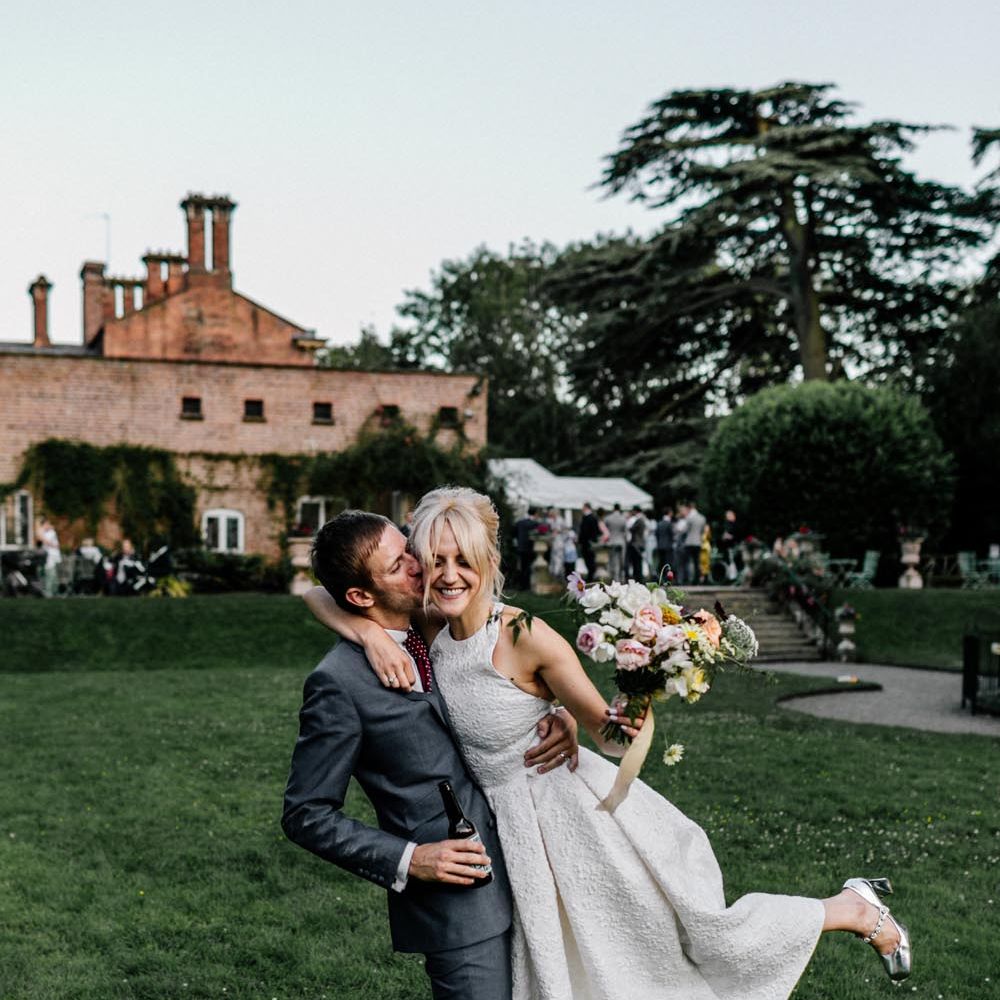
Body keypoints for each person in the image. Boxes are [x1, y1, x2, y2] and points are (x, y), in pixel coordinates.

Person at [307, 488, 912, 999]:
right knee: (567, 975)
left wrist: (649, 675)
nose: (443, 574)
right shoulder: (429, 623)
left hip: (571, 821)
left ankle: (850, 909)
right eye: (430, 560)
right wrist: (365, 632)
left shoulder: (526, 634)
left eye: (461, 560)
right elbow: (315, 592)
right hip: (512, 837)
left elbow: (608, 730)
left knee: (668, 952)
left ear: (487, 559)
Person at [283, 510, 579, 1000]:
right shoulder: (337, 684)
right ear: (360, 597)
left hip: (531, 859)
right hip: (459, 899)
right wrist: (410, 859)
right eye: (399, 564)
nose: (420, 566)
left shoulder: (434, 624)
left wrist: (553, 708)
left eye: (409, 550)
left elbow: (503, 677)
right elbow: (304, 813)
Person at [513, 508, 539, 591]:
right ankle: (527, 586)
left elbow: (514, 533)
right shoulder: (535, 523)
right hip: (530, 548)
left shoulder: (520, 522)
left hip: (521, 548)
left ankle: (521, 586)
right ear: (535, 514)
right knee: (528, 567)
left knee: (522, 567)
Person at [682, 500, 707, 586]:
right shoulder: (702, 518)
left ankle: (688, 579)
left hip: (689, 542)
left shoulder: (689, 518)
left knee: (687, 562)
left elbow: (685, 530)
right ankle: (696, 580)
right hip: (698, 543)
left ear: (689, 508)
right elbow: (703, 531)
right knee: (697, 562)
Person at [35, 516, 62, 597]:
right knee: (49, 574)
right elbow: (39, 538)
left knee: (50, 574)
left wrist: (41, 528)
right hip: (46, 556)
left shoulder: (51, 532)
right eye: (47, 524)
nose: (49, 525)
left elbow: (45, 540)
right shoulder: (44, 531)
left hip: (51, 556)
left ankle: (49, 592)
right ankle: (52, 591)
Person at [603, 503, 628, 582]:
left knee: (613, 561)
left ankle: (615, 579)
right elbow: (625, 532)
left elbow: (605, 530)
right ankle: (621, 578)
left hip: (612, 541)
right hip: (621, 541)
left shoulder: (608, 518)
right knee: (621, 562)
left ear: (613, 509)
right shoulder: (623, 518)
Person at [577, 503, 600, 579]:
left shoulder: (588, 518)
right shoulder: (592, 518)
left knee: (589, 561)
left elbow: (585, 532)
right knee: (589, 560)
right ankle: (591, 575)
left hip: (587, 543)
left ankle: (591, 577)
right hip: (588, 543)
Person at [625, 505, 646, 582]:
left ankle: (638, 579)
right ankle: (638, 578)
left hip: (636, 544)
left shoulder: (639, 519)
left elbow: (631, 529)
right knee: (637, 563)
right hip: (638, 543)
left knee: (637, 563)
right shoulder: (641, 519)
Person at [655, 507, 676, 582]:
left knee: (661, 563)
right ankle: (667, 579)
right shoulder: (669, 523)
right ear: (669, 513)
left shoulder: (659, 523)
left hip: (660, 545)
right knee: (668, 563)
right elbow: (672, 535)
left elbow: (656, 534)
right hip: (668, 546)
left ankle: (659, 578)